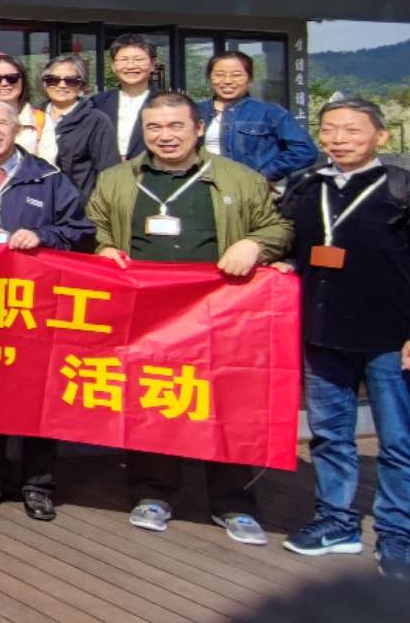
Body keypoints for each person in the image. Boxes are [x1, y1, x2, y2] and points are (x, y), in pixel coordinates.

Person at [90, 92, 294, 546]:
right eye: (154, 127)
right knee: (152, 401)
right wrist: (103, 248)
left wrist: (256, 245)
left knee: (225, 403)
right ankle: (153, 493)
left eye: (175, 126)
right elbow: (96, 226)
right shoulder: (117, 180)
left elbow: (279, 227)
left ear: (198, 128)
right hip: (147, 316)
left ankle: (233, 502)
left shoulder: (239, 179)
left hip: (220, 313)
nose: (165, 136)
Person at [278, 98, 410, 580]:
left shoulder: (409, 192)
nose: (339, 139)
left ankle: (398, 532)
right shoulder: (305, 186)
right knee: (329, 436)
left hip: (390, 340)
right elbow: (292, 248)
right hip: (322, 336)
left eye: (353, 130)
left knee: (398, 440)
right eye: (329, 129)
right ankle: (336, 520)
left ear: (382, 136)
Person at [0, 100, 97, 522]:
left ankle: (38, 484)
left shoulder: (48, 177)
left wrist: (43, 235)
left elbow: (82, 231)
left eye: (0, 123)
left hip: (33, 306)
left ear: (17, 129)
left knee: (35, 394)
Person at [197, 51, 320, 183]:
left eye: (236, 75)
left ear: (250, 79)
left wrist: (266, 174)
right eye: (219, 75)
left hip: (246, 189)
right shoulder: (194, 111)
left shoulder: (270, 113)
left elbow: (305, 151)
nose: (227, 81)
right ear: (209, 78)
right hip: (200, 186)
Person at [32, 53, 119, 200]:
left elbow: (109, 174)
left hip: (78, 207)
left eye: (71, 81)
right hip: (36, 203)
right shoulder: (31, 117)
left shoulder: (96, 121)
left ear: (82, 85)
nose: (62, 85)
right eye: (53, 80)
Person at [99, 35, 162, 161]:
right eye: (124, 60)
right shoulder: (97, 103)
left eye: (138, 59)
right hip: (106, 171)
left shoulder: (169, 104)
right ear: (113, 66)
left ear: (152, 64)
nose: (131, 66)